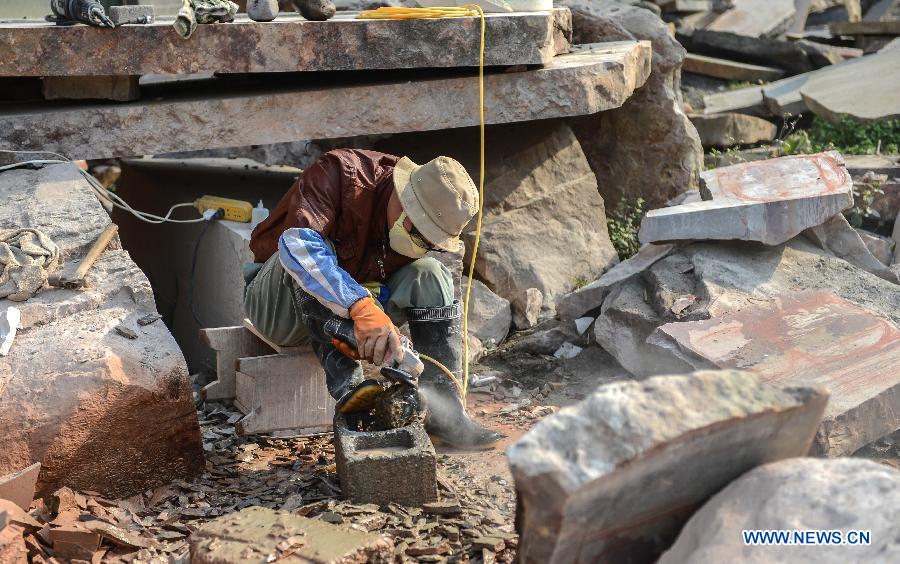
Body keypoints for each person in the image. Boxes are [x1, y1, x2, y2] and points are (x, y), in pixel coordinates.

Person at [243, 149, 502, 449]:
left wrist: (372, 312)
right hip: (278, 308)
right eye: (420, 236)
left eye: (431, 242)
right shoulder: (338, 173)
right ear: (405, 202)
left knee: (432, 274)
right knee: (312, 253)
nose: (421, 246)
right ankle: (349, 387)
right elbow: (296, 246)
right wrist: (362, 306)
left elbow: (390, 280)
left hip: (352, 303)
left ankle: (446, 417)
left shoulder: (411, 223)